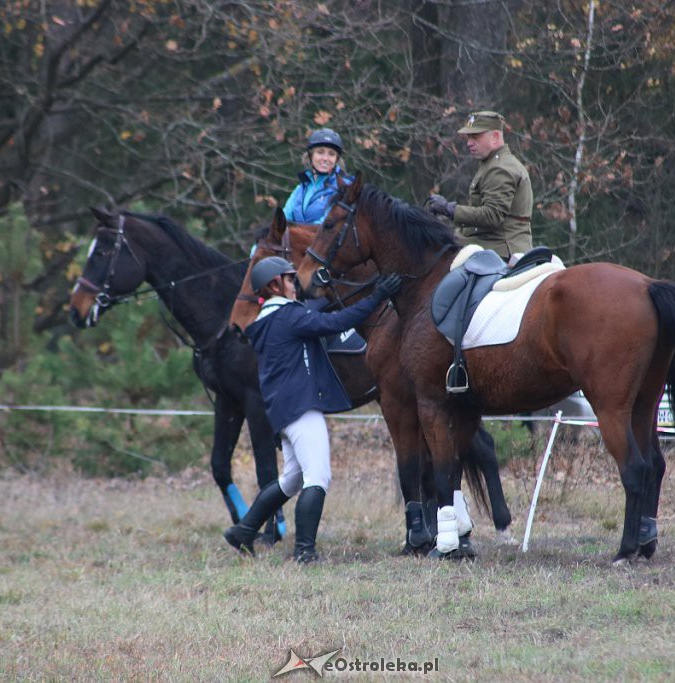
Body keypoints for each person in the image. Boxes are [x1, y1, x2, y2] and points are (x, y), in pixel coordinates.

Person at [223, 256, 402, 563]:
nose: (296, 284)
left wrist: (318, 294)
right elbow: (336, 322)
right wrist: (378, 296)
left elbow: (310, 312)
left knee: (291, 479)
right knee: (318, 477)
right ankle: (305, 552)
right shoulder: (290, 317)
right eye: (291, 279)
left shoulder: (268, 321)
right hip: (302, 408)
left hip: (282, 413)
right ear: (274, 285)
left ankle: (243, 531)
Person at [427, 111, 533, 260]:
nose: (469, 142)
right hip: (488, 244)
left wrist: (449, 209)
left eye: (475, 137)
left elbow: (492, 216)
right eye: (469, 137)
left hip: (498, 250)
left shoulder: (500, 168)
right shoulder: (493, 163)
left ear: (495, 137)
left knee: (448, 281)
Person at [283, 128, 352, 225]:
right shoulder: (301, 189)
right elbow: (282, 220)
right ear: (311, 156)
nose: (325, 158)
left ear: (336, 159)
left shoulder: (345, 188)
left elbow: (326, 226)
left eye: (331, 154)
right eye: (320, 152)